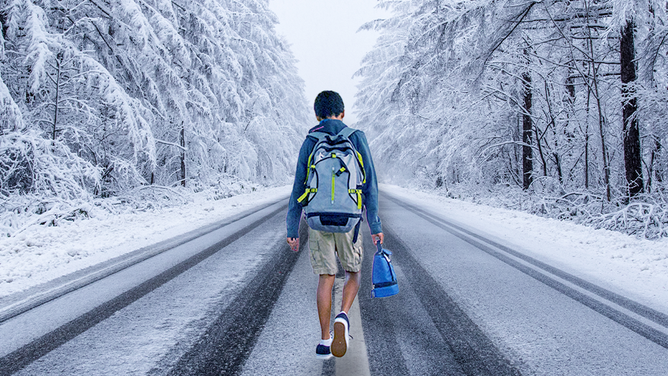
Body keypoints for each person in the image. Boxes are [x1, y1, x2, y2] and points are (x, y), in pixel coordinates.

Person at [286, 91, 384, 359]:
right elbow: (370, 184)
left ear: (317, 115)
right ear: (342, 113)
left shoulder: (311, 140)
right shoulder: (356, 137)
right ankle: (343, 316)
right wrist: (374, 224)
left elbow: (298, 186)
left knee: (326, 277)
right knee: (353, 272)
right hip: (349, 219)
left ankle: (324, 340)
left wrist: (292, 228)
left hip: (317, 219)